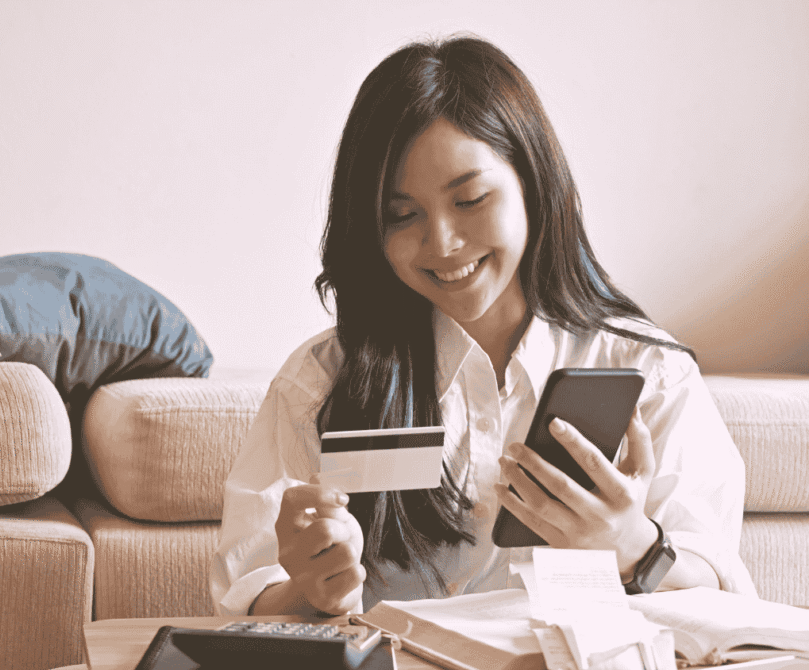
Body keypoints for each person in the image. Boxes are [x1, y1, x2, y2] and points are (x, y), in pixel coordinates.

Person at [210, 35, 756, 618]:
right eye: (402, 215)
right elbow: (245, 594)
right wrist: (312, 588)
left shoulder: (647, 371)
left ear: (533, 184)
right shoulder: (321, 383)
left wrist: (632, 547)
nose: (442, 243)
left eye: (469, 199)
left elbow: (725, 596)